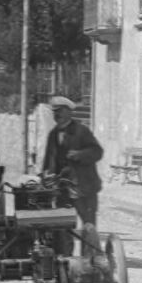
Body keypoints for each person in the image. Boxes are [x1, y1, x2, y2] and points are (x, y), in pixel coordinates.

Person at [40, 95, 106, 231]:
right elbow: (49, 159)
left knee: (89, 226)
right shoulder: (53, 134)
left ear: (69, 112)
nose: (57, 115)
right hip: (61, 188)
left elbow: (97, 151)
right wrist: (46, 175)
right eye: (55, 112)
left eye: (60, 111)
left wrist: (80, 155)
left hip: (83, 187)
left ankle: (90, 252)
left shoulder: (82, 131)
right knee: (63, 226)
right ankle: (64, 252)